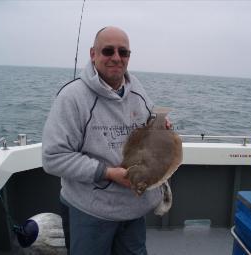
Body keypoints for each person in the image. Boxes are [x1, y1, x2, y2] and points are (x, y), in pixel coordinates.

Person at [42, 26, 164, 255]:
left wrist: (160, 127)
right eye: (108, 51)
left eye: (123, 52)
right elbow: (53, 158)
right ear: (93, 54)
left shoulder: (137, 90)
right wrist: (108, 173)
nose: (116, 58)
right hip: (90, 212)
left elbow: (149, 126)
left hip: (134, 209)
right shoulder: (72, 97)